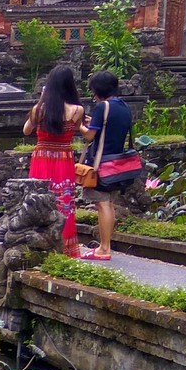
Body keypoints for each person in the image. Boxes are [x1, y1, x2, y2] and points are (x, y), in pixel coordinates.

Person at [23, 65, 85, 257]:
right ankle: (64, 245)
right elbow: (80, 130)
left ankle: (37, 241)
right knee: (63, 201)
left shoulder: (39, 110)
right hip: (63, 158)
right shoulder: (77, 110)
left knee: (38, 199)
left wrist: (40, 101)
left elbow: (26, 131)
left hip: (42, 157)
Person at [78, 69, 134, 261]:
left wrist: (78, 124)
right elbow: (109, 129)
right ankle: (105, 245)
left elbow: (89, 136)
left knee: (102, 205)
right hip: (117, 165)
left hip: (101, 164)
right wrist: (91, 122)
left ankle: (104, 248)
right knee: (108, 203)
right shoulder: (124, 106)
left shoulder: (103, 107)